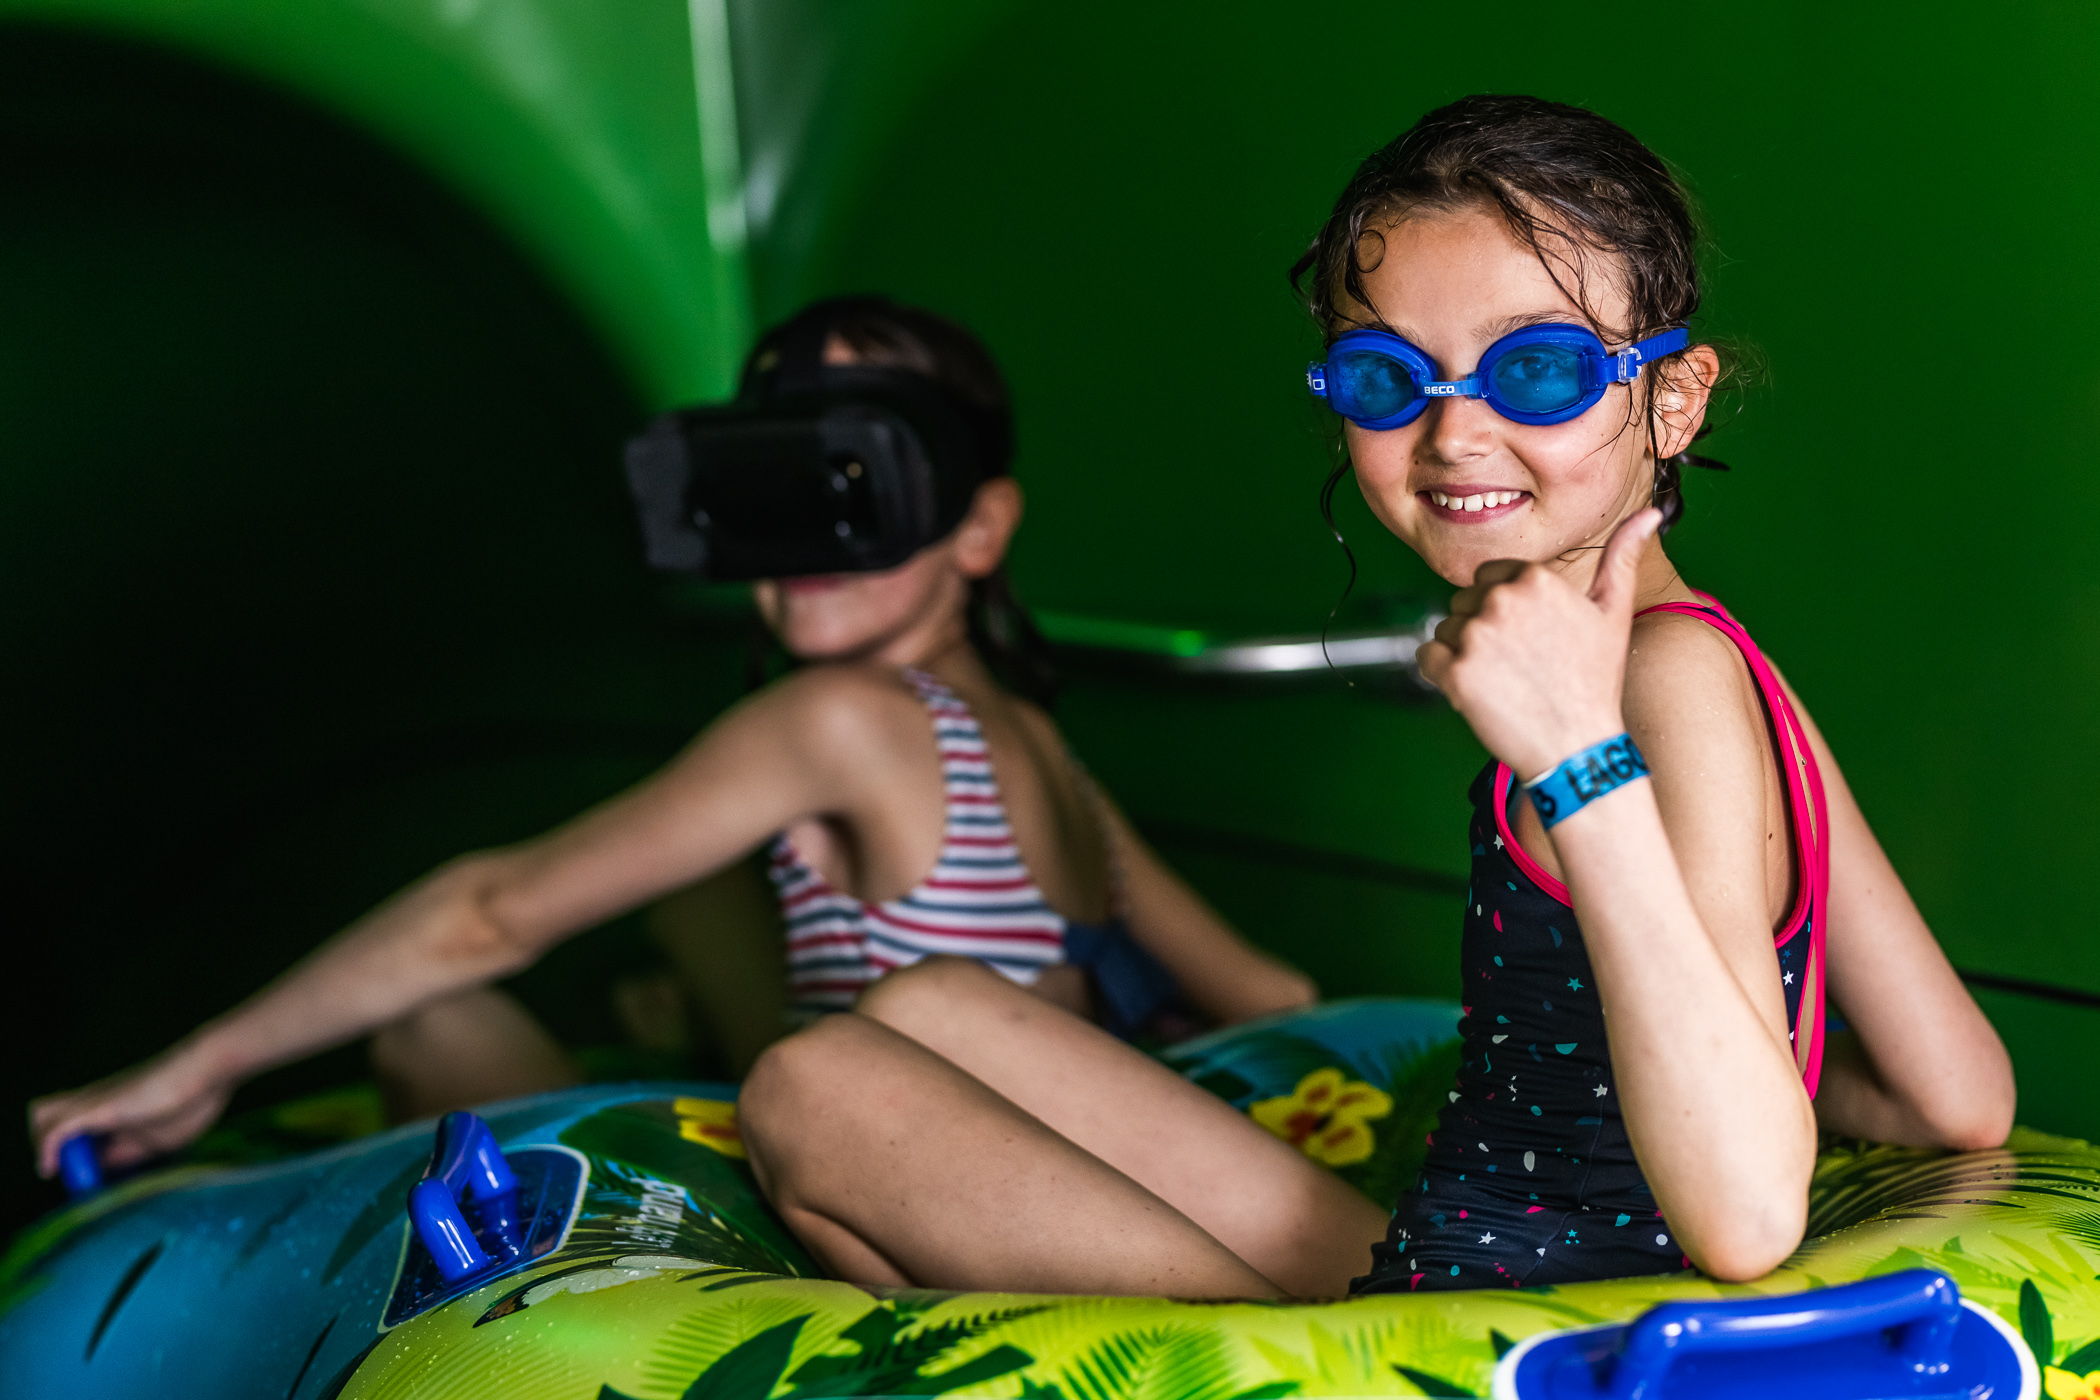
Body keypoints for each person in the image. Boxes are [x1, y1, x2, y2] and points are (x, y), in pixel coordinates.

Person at [733, 97, 2015, 1298]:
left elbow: (1744, 1217)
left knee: (809, 1085)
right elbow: (1957, 1092)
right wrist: (1727, 1060)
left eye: (1540, 371)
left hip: (1497, 1325)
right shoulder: (1724, 654)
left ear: (1672, 398)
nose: (1453, 435)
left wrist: (1575, 754)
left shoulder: (1652, 685)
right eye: (1388, 380)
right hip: (1461, 1241)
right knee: (924, 1006)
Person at [28, 295, 1315, 1181]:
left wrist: (193, 1067)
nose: (807, 531)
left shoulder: (839, 718)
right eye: (772, 481)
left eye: (858, 483)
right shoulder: (1035, 744)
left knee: (442, 1026)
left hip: (913, 1194)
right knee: (698, 885)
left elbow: (489, 913)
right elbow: (1274, 996)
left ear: (978, 528)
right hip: (1011, 1155)